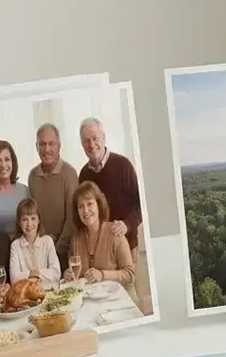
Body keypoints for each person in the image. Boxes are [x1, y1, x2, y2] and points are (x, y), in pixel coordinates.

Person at [77, 117, 142, 256]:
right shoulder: (83, 174)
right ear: (82, 144)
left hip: (126, 245)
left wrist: (127, 224)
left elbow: (141, 205)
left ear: (104, 138)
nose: (91, 144)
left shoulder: (123, 165)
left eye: (95, 138)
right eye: (86, 141)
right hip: (100, 250)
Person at [27, 123, 80, 266]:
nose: (47, 149)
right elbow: (33, 217)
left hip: (64, 252)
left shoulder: (69, 174)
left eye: (51, 144)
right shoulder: (32, 176)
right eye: (42, 144)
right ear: (36, 147)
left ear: (59, 146)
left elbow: (72, 218)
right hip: (40, 253)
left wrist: (56, 249)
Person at [67, 181, 135, 290]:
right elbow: (77, 275)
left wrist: (102, 275)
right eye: (80, 206)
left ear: (99, 205)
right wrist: (69, 276)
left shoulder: (115, 232)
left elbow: (130, 275)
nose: (85, 210)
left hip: (117, 297)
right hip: (89, 299)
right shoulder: (75, 239)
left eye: (89, 204)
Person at [9, 198, 61, 289]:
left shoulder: (47, 241)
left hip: (49, 292)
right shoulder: (15, 245)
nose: (29, 224)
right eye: (25, 219)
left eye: (33, 218)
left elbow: (56, 273)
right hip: (25, 294)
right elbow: (14, 279)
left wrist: (35, 273)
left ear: (38, 220)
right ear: (19, 222)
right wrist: (32, 273)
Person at [0, 140, 30, 238]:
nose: (3, 165)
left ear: (13, 162)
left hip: (23, 248)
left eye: (7, 159)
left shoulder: (24, 191)